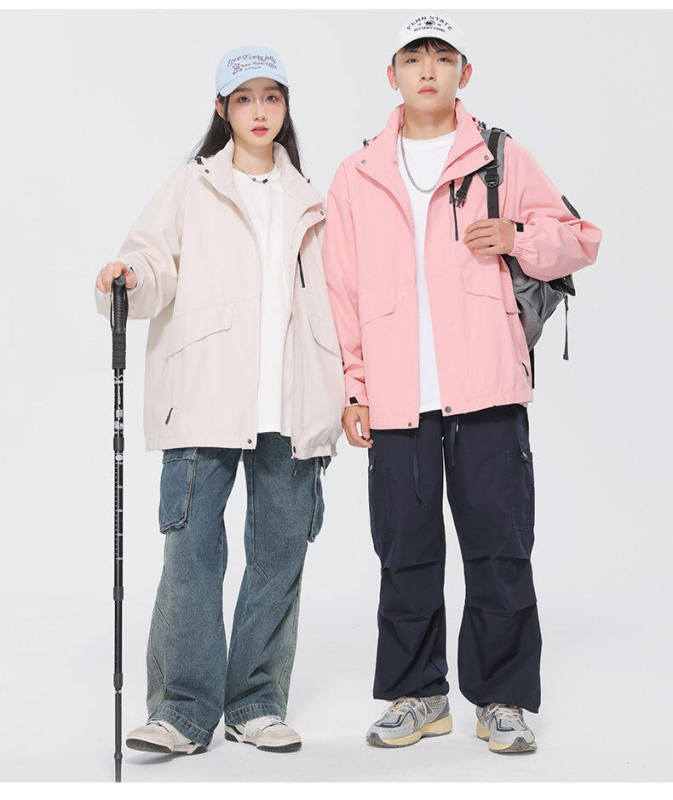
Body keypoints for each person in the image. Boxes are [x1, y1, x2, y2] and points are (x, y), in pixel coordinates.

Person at [322, 14, 602, 753]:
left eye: (441, 57)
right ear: (391, 74)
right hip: (396, 397)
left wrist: (518, 236)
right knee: (404, 554)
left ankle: (501, 700)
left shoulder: (499, 156)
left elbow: (581, 241)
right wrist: (355, 387)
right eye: (413, 57)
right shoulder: (356, 174)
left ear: (463, 73)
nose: (427, 69)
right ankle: (418, 696)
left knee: (499, 549)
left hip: (486, 390)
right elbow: (341, 290)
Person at [95, 45, 344, 756]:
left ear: (285, 106)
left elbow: (341, 301)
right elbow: (150, 263)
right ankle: (182, 710)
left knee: (277, 560)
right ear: (221, 109)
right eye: (244, 99)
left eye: (272, 97)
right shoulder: (191, 186)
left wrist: (349, 390)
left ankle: (257, 702)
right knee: (192, 558)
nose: (259, 111)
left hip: (293, 407)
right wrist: (127, 277)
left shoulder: (313, 199)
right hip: (203, 400)